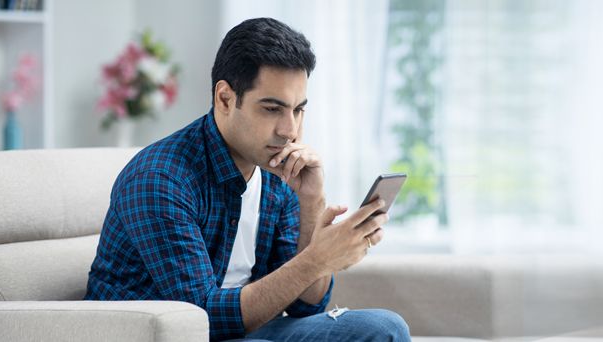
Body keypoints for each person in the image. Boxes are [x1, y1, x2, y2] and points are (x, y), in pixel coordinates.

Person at [85, 17, 411, 341]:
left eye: (298, 110)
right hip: (169, 334)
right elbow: (202, 319)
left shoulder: (274, 168)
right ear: (225, 99)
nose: (290, 130)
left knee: (386, 328)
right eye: (272, 109)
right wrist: (317, 260)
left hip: (246, 331)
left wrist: (311, 201)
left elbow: (305, 305)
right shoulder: (160, 180)